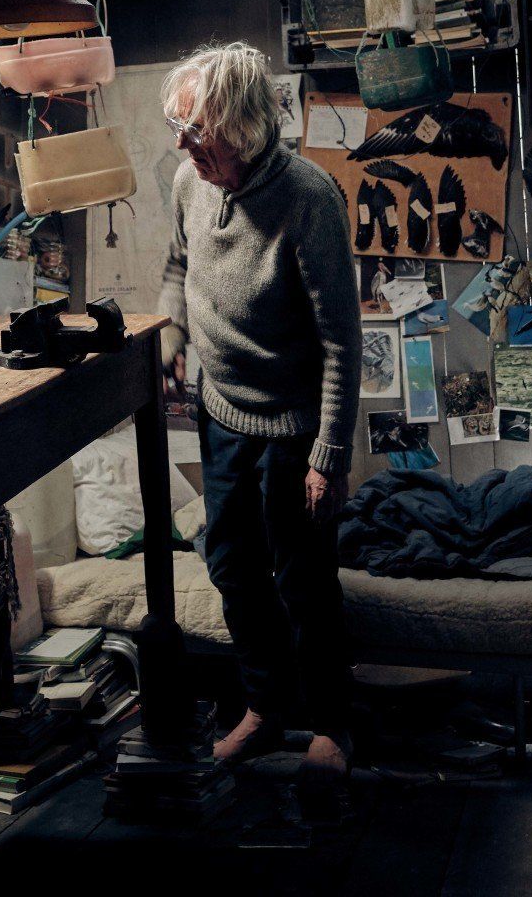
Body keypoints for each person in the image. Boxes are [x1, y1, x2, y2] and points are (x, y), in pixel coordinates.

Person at [156, 43, 362, 782]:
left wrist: (328, 457)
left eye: (198, 133)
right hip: (221, 412)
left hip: (292, 426)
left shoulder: (309, 199)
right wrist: (173, 334)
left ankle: (331, 723)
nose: (184, 147)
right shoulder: (190, 181)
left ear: (242, 129)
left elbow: (341, 341)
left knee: (302, 579)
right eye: (179, 130)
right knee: (231, 565)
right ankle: (265, 707)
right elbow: (177, 265)